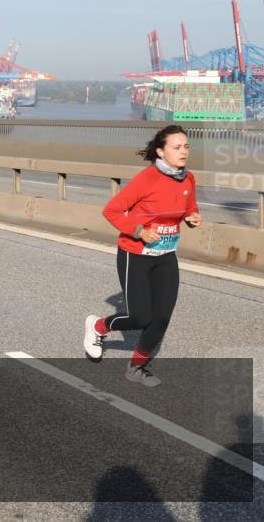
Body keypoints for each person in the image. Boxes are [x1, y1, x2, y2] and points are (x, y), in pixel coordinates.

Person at [83, 125, 201, 387]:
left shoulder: (188, 179)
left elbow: (188, 208)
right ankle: (98, 326)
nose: (183, 151)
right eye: (176, 147)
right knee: (140, 317)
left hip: (165, 255)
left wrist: (192, 218)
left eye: (186, 146)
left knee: (161, 318)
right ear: (160, 151)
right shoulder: (147, 179)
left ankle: (137, 368)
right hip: (134, 254)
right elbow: (112, 210)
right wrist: (139, 231)